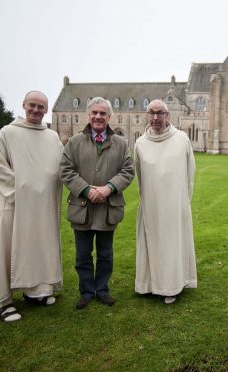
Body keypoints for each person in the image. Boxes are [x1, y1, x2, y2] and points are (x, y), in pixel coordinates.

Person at [0, 91, 63, 322]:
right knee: (6, 251)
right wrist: (22, 193)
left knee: (36, 248)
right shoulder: (7, 133)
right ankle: (3, 301)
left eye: (41, 107)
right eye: (32, 105)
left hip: (42, 207)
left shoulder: (52, 137)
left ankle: (35, 292)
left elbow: (59, 169)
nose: (36, 110)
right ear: (24, 105)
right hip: (14, 205)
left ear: (46, 110)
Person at [60, 97, 134, 310]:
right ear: (88, 115)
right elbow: (66, 170)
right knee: (82, 256)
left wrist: (108, 188)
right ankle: (86, 292)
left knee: (105, 255)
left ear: (109, 117)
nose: (98, 117)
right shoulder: (74, 142)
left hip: (108, 208)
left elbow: (128, 170)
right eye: (94, 113)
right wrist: (86, 190)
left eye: (103, 113)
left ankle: (102, 290)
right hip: (81, 208)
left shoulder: (120, 144)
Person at [134, 99, 197, 304]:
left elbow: (190, 173)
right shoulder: (140, 144)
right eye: (151, 113)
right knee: (151, 240)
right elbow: (139, 177)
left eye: (160, 113)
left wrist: (182, 201)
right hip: (151, 203)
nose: (155, 117)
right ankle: (148, 285)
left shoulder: (181, 139)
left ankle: (171, 285)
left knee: (171, 243)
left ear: (167, 115)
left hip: (175, 202)